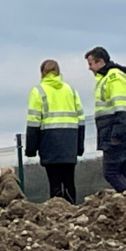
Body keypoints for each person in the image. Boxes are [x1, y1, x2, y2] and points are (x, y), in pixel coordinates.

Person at [25, 60, 85, 204]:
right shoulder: (71, 90)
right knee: (69, 181)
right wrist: (79, 146)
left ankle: (58, 214)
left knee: (55, 182)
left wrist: (31, 148)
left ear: (42, 72)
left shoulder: (38, 91)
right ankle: (73, 212)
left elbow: (33, 121)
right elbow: (81, 119)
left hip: (49, 141)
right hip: (70, 141)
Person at [85, 47, 126, 193]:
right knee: (122, 172)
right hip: (115, 132)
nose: (89, 68)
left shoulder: (113, 77)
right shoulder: (108, 77)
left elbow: (122, 107)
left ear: (100, 61)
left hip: (115, 133)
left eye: (91, 64)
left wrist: (116, 135)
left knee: (111, 172)